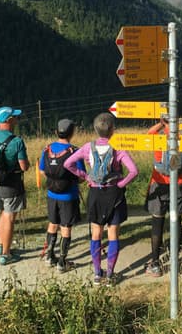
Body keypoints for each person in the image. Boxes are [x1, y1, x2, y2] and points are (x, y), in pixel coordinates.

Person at [63, 112, 138, 286]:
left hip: (95, 193)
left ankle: (97, 273)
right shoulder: (118, 148)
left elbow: (68, 164)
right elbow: (134, 171)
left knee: (96, 234)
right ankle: (110, 273)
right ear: (112, 129)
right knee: (113, 234)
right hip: (114, 194)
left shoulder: (88, 147)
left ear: (96, 129)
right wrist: (121, 183)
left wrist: (86, 176)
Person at [144, 116, 182, 277]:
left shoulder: (157, 138)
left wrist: (160, 125)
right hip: (179, 184)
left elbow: (148, 133)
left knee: (157, 223)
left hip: (159, 184)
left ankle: (155, 264)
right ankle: (175, 262)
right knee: (177, 223)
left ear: (164, 123)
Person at [38, 119, 86, 272]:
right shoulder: (75, 151)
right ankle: (62, 262)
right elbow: (81, 176)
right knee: (66, 227)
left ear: (56, 132)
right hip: (68, 195)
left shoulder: (47, 149)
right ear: (72, 133)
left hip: (52, 193)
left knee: (53, 224)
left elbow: (42, 170)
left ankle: (49, 256)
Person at [0, 106, 30, 266]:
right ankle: (6, 253)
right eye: (15, 117)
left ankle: (0, 244)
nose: (17, 119)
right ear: (9, 120)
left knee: (3, 214)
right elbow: (24, 166)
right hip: (12, 184)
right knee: (9, 217)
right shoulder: (16, 141)